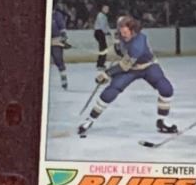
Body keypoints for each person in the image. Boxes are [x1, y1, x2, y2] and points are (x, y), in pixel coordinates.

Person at [76, 13, 179, 141]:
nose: (123, 34)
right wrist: (115, 48)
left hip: (147, 66)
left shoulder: (138, 43)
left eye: (125, 32)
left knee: (166, 89)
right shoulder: (121, 35)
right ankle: (89, 120)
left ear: (133, 30)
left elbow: (124, 66)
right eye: (121, 31)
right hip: (131, 68)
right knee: (110, 92)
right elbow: (119, 49)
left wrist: (107, 73)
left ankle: (162, 122)